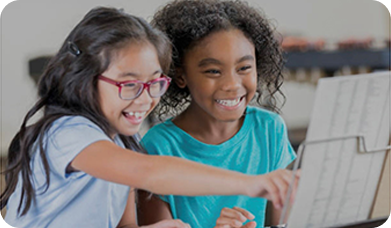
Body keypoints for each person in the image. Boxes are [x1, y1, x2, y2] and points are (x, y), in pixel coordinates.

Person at [0, 7, 297, 228]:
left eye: (154, 82)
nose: (145, 99)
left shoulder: (125, 141)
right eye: (129, 84)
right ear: (86, 79)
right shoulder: (66, 133)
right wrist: (252, 184)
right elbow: (149, 172)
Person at [138, 1, 299, 228]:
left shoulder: (270, 129)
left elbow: (283, 222)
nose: (232, 85)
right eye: (213, 71)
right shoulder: (158, 147)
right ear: (181, 75)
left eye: (244, 68)